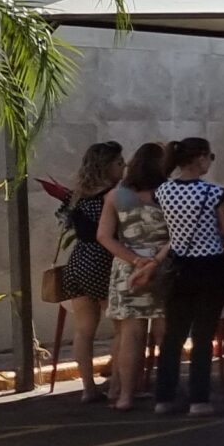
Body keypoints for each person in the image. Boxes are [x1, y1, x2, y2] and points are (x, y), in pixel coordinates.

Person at [152, 137, 224, 416]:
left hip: (179, 267)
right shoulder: (214, 193)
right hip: (210, 266)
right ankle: (199, 398)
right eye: (209, 157)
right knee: (203, 335)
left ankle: (164, 397)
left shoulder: (163, 191)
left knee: (173, 335)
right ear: (200, 158)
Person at [98, 142, 169, 411]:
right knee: (165, 332)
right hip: (163, 267)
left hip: (127, 267)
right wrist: (154, 259)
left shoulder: (116, 196)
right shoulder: (169, 193)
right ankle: (167, 392)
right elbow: (178, 234)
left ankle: (125, 395)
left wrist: (134, 259)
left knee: (131, 333)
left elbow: (104, 236)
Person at [58, 141, 123, 403]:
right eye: (119, 163)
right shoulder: (114, 194)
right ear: (107, 166)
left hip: (78, 260)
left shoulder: (74, 195)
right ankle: (118, 385)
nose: (124, 168)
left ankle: (88, 387)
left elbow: (63, 222)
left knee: (84, 329)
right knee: (123, 328)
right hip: (106, 260)